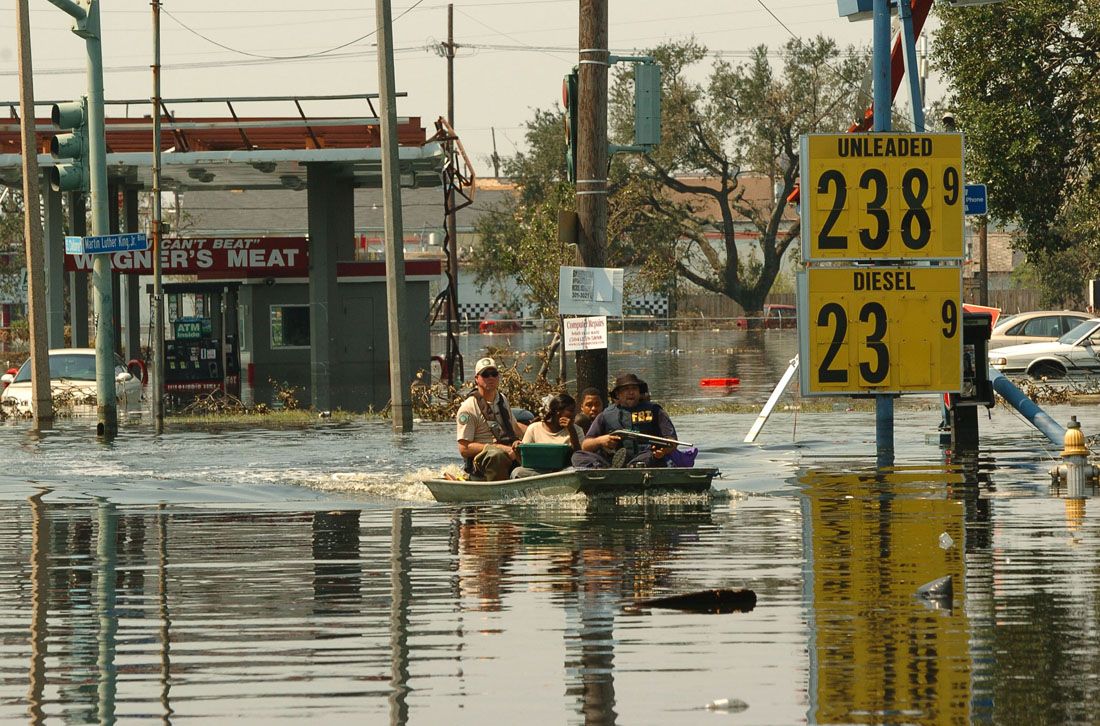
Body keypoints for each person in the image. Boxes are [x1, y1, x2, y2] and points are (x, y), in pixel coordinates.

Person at [572, 373, 678, 469]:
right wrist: (601, 440)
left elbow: (672, 441)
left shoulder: (655, 411)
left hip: (646, 457)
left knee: (647, 457)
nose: (631, 392)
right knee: (578, 456)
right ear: (618, 394)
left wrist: (663, 451)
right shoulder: (605, 415)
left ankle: (634, 467)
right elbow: (585, 445)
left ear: (639, 392)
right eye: (626, 389)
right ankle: (601, 469)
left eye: (634, 389)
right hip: (612, 461)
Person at [456, 357, 528, 481]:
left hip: (508, 453)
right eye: (485, 374)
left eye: (494, 374)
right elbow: (464, 448)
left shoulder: (502, 400)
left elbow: (515, 427)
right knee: (497, 454)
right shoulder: (468, 408)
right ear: (477, 378)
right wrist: (500, 447)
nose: (491, 378)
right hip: (483, 461)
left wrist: (537, 432)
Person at [511, 392, 585, 478]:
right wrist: (517, 450)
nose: (574, 415)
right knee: (517, 472)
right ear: (558, 412)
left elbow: (579, 456)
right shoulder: (534, 428)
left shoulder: (576, 430)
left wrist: (572, 431)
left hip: (563, 471)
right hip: (537, 472)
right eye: (571, 411)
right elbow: (524, 462)